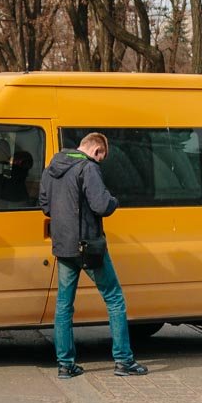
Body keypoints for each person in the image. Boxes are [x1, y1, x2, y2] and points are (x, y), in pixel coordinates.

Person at [40, 132, 148, 379]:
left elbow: (45, 205)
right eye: (101, 157)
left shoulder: (52, 167)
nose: (100, 161)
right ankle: (124, 360)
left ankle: (65, 365)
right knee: (115, 298)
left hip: (63, 246)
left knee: (64, 306)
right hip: (88, 246)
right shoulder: (88, 168)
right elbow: (101, 205)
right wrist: (113, 200)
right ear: (97, 151)